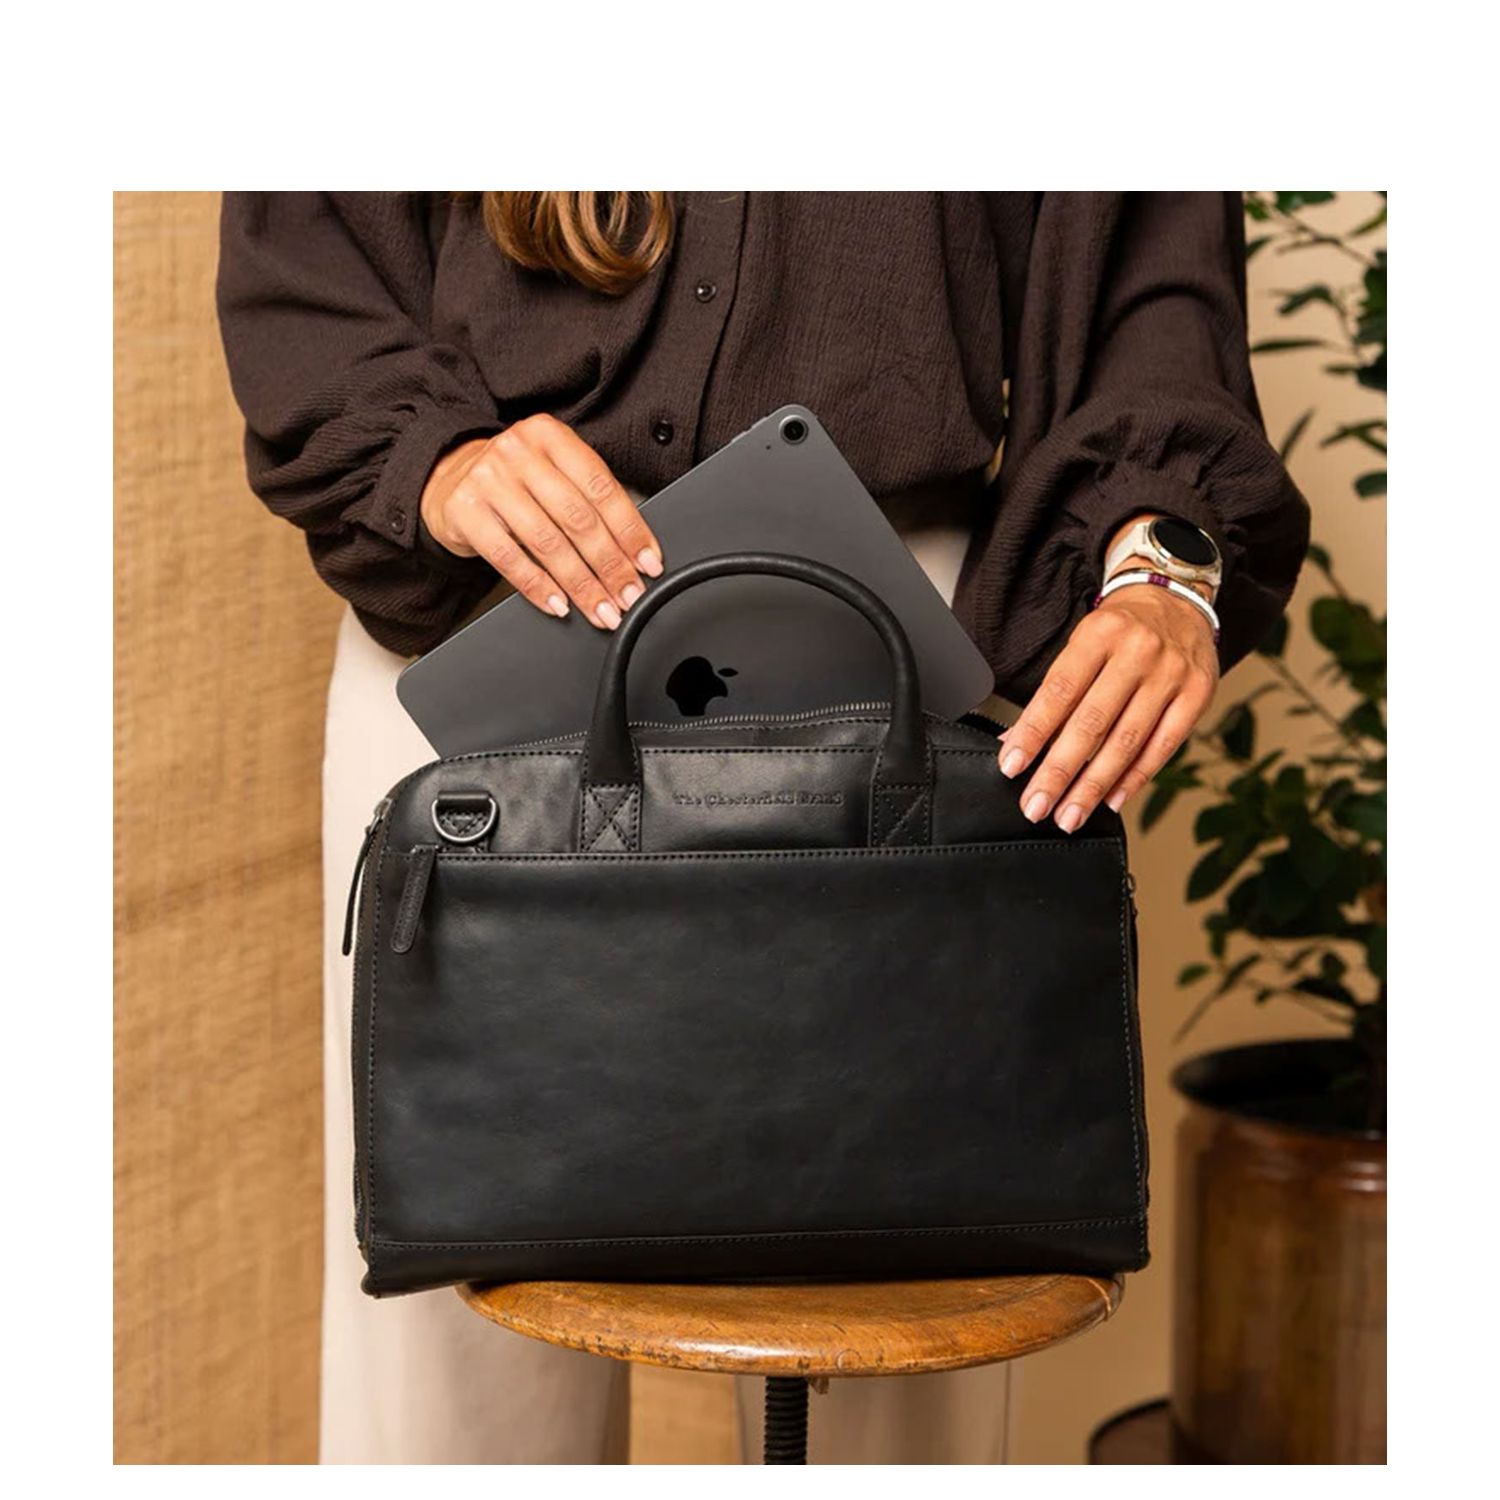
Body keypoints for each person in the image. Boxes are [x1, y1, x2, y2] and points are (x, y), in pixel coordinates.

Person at [216, 190, 1308, 1464]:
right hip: (490, 600)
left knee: (910, 1352)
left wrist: (1161, 565)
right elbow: (306, 241)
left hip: (890, 626)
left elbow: (1148, 258)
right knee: (450, 1391)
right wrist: (433, 458)